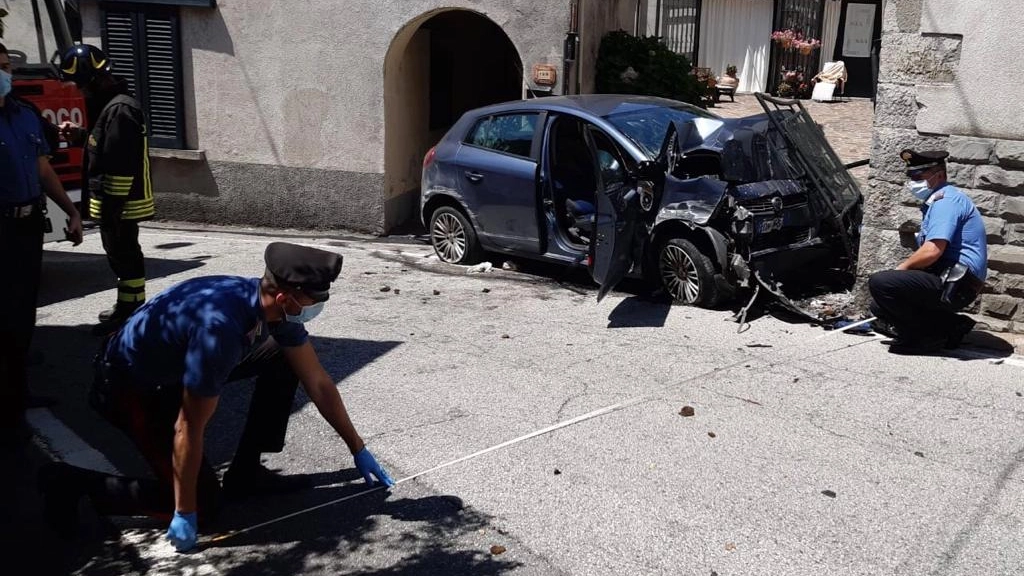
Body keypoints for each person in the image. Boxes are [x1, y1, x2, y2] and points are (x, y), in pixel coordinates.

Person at [38, 242, 394, 552]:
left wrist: (357, 447)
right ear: (285, 297)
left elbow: (318, 382)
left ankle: (246, 475)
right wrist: (184, 512)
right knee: (204, 506)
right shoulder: (220, 331)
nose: (317, 306)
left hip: (174, 369)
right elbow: (187, 428)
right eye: (314, 300)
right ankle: (72, 482)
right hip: (128, 387)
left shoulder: (271, 305)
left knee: (283, 360)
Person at [0, 42, 84, 438]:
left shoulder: (25, 114)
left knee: (20, 315)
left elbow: (43, 169)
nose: (7, 76)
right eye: (0, 68)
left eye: (7, 67)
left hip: (25, 227)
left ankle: (19, 395)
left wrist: (70, 210)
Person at [57, 44, 153, 329]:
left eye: (79, 83)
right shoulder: (112, 107)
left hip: (121, 203)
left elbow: (120, 165)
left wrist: (112, 207)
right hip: (116, 203)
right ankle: (128, 307)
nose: (78, 90)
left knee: (126, 257)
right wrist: (81, 136)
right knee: (121, 257)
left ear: (93, 79)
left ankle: (131, 313)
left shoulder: (120, 110)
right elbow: (106, 147)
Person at [868, 149, 988, 355]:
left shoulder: (945, 202)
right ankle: (951, 326)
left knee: (882, 283)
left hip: (958, 284)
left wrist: (901, 270)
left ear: (939, 175)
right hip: (950, 278)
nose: (913, 182)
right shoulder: (938, 201)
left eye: (918, 176)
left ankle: (925, 337)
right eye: (911, 176)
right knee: (879, 306)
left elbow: (932, 251)